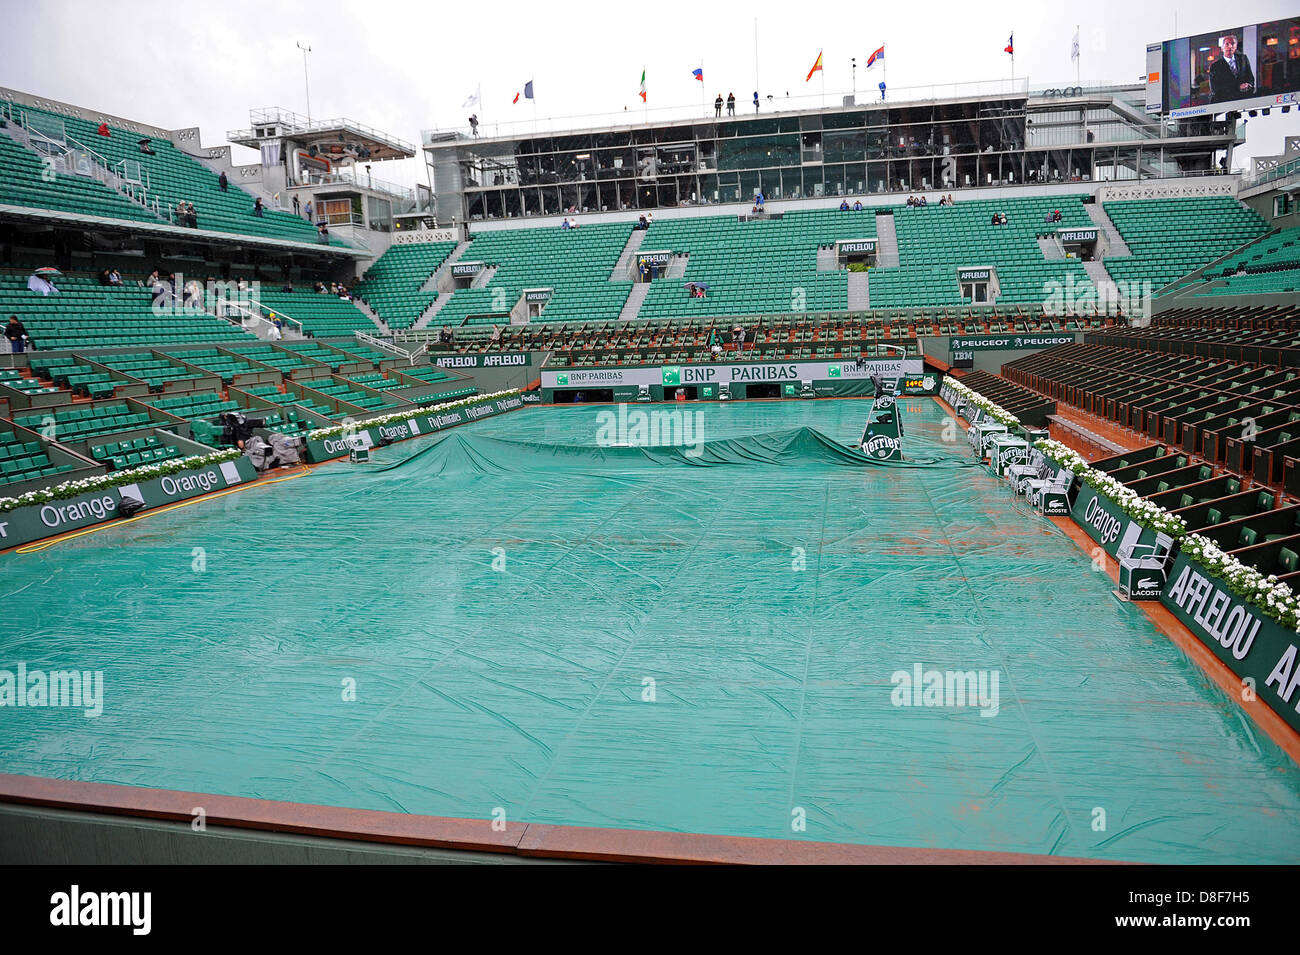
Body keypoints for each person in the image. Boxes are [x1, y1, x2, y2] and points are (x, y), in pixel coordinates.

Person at [1210, 34, 1255, 103]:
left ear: (1236, 46)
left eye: (1232, 43)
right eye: (1227, 44)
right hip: (1226, 102)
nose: (1230, 46)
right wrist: (1238, 88)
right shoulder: (1215, 66)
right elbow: (1215, 89)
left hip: (1245, 99)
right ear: (1222, 48)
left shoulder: (1243, 59)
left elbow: (1251, 78)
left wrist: (1248, 85)